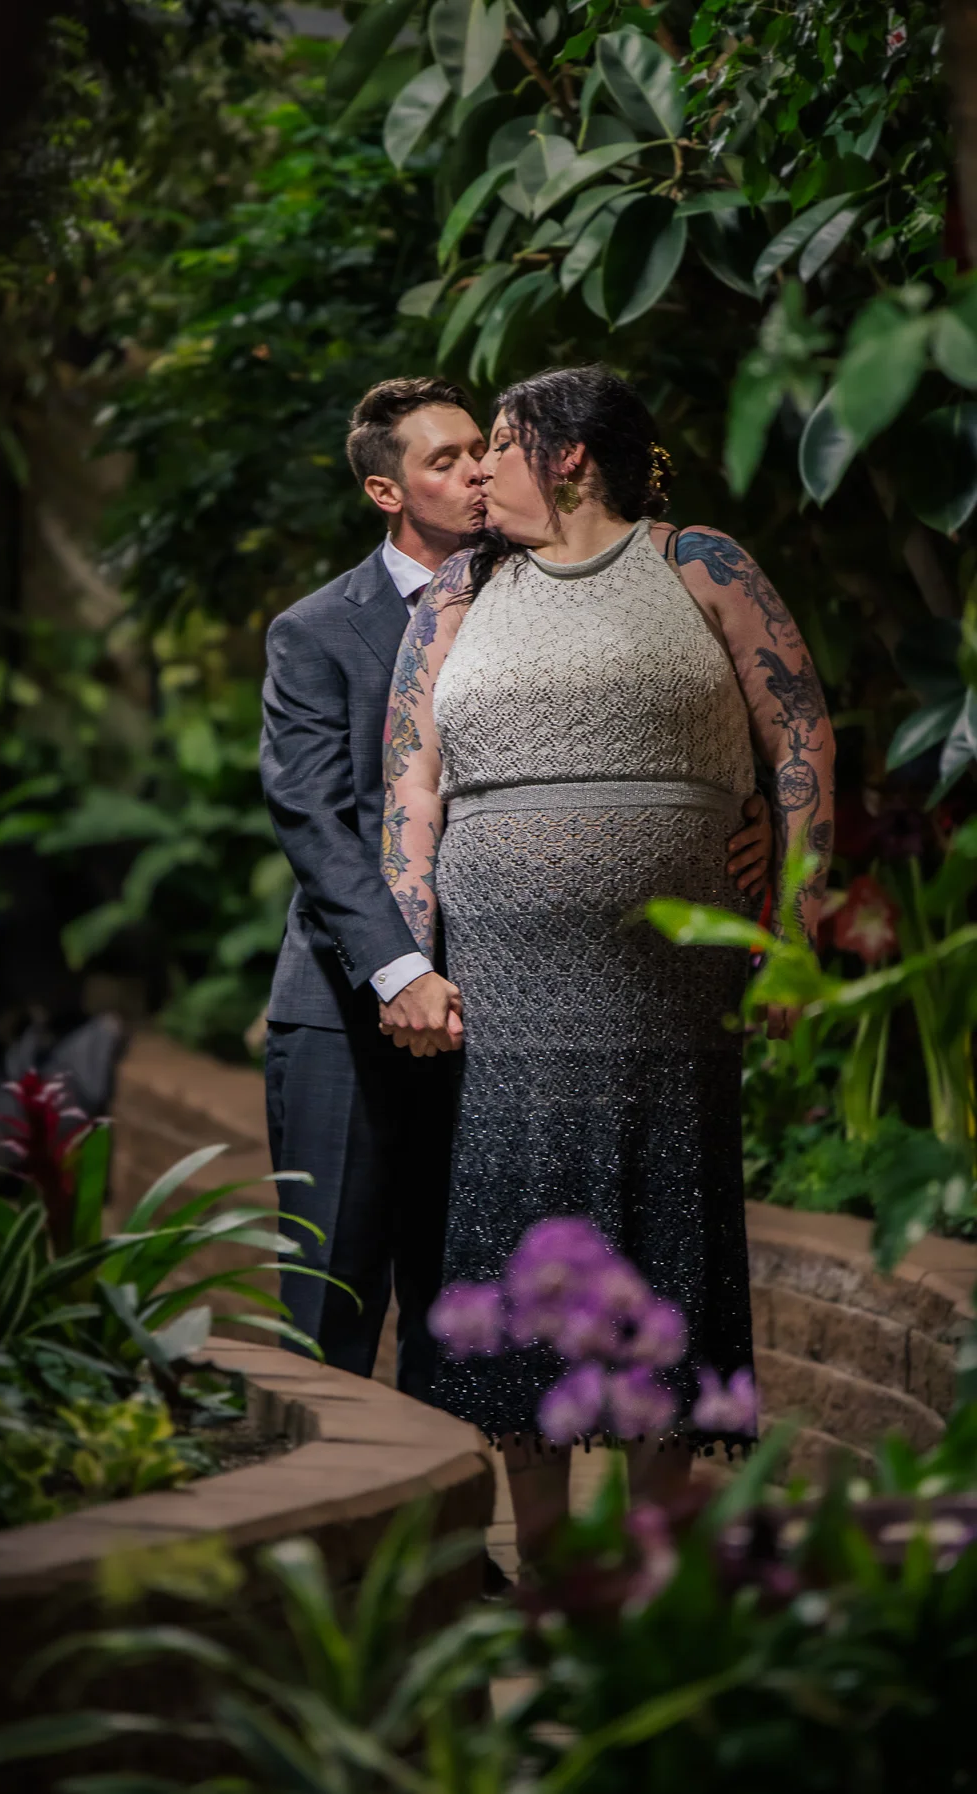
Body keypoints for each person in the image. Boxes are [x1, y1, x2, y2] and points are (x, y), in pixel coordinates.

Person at [379, 364, 834, 1561]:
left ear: (569, 457)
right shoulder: (457, 595)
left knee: (660, 1246)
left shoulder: (699, 564)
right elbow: (412, 783)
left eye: (505, 448)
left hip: (673, 995)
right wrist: (411, 961)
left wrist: (793, 924)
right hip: (504, 998)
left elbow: (799, 732)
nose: (481, 473)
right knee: (514, 1254)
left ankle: (651, 1573)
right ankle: (549, 1564)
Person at [260, 374, 774, 1406]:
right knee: (333, 1298)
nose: (477, 472)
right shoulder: (317, 630)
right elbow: (318, 822)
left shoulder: (537, 584)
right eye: (444, 461)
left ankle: (446, 1550)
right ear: (387, 494)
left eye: (482, 448)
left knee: (464, 1293)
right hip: (359, 1000)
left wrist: (736, 804)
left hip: (506, 1020)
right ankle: (319, 1539)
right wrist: (400, 966)